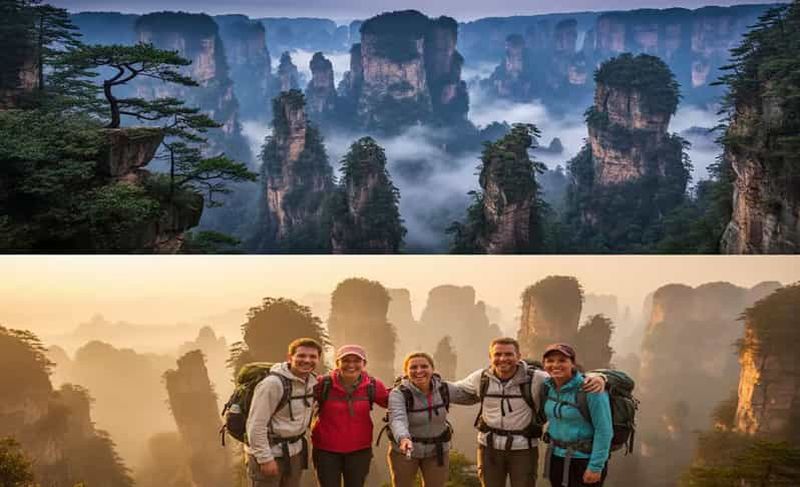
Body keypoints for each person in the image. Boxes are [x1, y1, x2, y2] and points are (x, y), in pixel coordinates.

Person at [454, 337, 606, 487]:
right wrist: (432, 380)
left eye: (508, 354)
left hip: (525, 448)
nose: (502, 358)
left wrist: (600, 377)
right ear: (490, 357)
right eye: (497, 354)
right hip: (491, 447)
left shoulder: (539, 379)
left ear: (519, 357)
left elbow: (604, 429)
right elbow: (454, 389)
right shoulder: (481, 378)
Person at [386, 351, 476, 487]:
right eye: (413, 368)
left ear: (432, 369)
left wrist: (489, 391)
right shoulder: (399, 393)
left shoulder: (443, 389)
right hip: (406, 450)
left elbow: (468, 397)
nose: (419, 371)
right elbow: (397, 418)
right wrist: (403, 438)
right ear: (406, 371)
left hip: (437, 450)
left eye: (424, 366)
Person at [245, 337, 323, 487]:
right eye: (301, 355)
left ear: (318, 359)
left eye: (313, 356)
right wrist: (265, 459)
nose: (307, 360)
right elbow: (255, 425)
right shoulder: (272, 384)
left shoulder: (312, 383)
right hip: (270, 452)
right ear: (290, 357)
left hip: (295, 453)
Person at [311, 344, 390, 487]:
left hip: (359, 450)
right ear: (337, 363)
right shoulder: (323, 384)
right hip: (326, 450)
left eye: (356, 361)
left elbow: (391, 402)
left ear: (364, 364)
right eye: (346, 360)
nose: (351, 365)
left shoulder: (373, 386)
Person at [541, 343, 612, 487]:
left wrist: (595, 467)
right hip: (556, 457)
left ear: (572, 364)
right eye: (550, 361)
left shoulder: (590, 388)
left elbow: (604, 430)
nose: (555, 365)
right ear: (544, 365)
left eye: (562, 360)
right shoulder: (548, 387)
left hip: (584, 460)